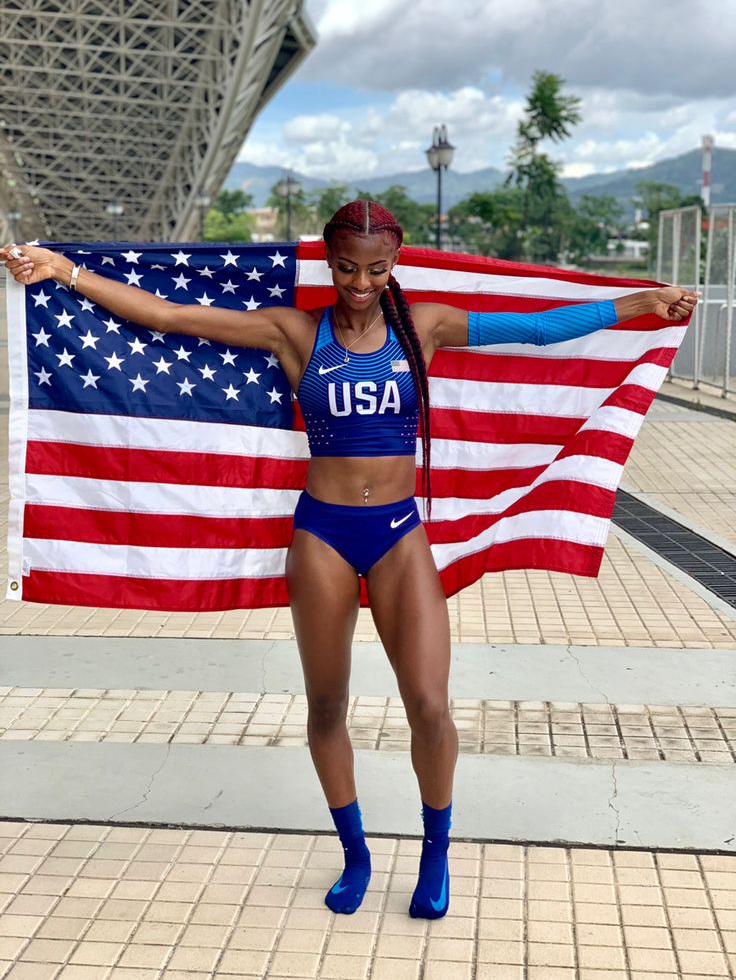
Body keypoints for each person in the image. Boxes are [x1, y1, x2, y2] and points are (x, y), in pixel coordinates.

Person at [1, 201, 697, 919]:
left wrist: (643, 301)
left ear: (393, 263)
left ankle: (434, 851)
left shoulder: (422, 327)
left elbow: (539, 328)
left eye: (376, 268)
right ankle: (356, 852)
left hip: (399, 533)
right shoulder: (296, 331)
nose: (361, 282)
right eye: (346, 267)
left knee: (429, 705)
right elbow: (169, 316)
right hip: (323, 535)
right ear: (329, 262)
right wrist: (64, 270)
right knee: (327, 704)